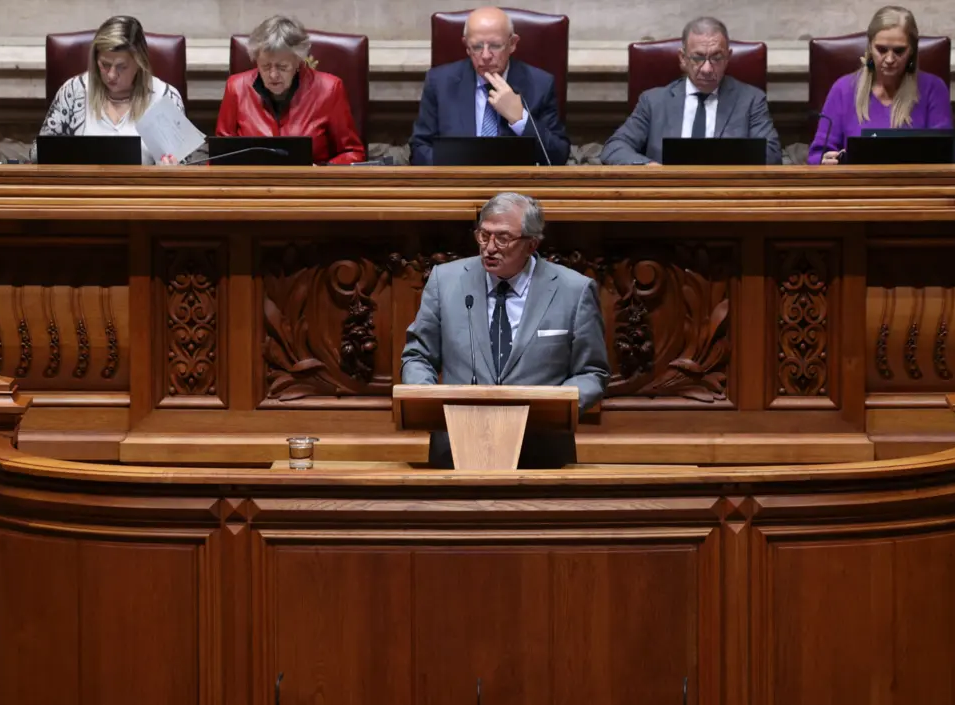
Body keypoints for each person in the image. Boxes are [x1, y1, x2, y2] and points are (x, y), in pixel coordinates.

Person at [401, 192, 609, 468]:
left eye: (502, 238)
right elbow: (418, 355)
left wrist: (554, 405)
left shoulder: (574, 290)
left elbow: (592, 372)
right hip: (456, 447)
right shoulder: (445, 281)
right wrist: (427, 401)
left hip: (540, 451)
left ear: (531, 244)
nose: (489, 248)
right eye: (483, 236)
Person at [601, 17, 782, 166]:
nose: (707, 69)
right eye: (698, 58)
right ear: (683, 58)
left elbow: (772, 154)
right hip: (666, 196)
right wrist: (649, 167)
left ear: (728, 58)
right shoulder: (653, 101)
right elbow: (615, 147)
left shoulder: (751, 100)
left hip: (726, 196)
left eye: (717, 58)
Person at [408, 7, 570, 166]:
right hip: (458, 186)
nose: (485, 56)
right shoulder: (439, 82)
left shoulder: (540, 84)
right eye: (477, 47)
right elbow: (419, 148)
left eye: (495, 46)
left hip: (516, 188)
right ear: (466, 46)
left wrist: (520, 119)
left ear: (512, 44)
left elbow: (557, 157)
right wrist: (458, 171)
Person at [808, 6, 953, 165]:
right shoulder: (843, 90)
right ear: (870, 47)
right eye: (881, 50)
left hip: (915, 187)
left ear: (912, 50)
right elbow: (816, 156)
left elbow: (947, 156)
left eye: (899, 51)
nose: (889, 59)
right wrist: (825, 162)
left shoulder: (933, 89)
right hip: (855, 187)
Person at [216, 15, 365, 164]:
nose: (273, 75)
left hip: (309, 184)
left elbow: (353, 153)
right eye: (266, 66)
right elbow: (220, 155)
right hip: (253, 184)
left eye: (282, 67)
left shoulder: (329, 89)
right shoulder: (236, 87)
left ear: (298, 61)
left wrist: (322, 171)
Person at [35, 16, 184, 165]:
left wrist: (172, 168)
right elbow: (37, 154)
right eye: (105, 65)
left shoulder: (165, 98)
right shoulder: (73, 92)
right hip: (82, 187)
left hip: (144, 187)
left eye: (121, 67)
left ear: (140, 63)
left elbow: (185, 166)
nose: (111, 75)